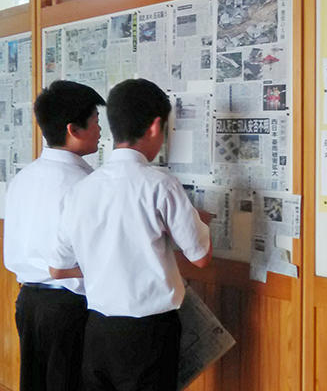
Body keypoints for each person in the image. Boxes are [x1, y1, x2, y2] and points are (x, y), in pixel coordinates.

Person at [49, 79, 212, 391]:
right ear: (155, 128)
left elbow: (57, 269)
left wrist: (104, 265)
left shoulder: (81, 190)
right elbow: (201, 257)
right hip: (149, 334)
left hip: (97, 329)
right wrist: (201, 221)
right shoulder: (160, 184)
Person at [3, 80, 105, 391]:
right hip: (68, 307)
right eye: (96, 122)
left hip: (28, 303)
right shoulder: (85, 184)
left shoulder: (24, 176)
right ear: (74, 129)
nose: (101, 131)